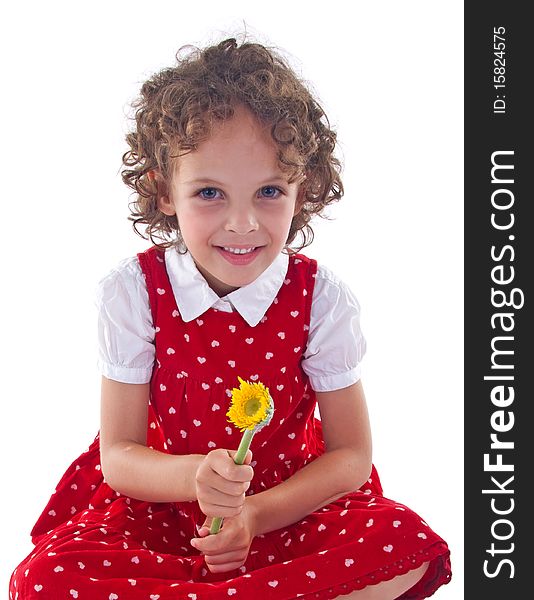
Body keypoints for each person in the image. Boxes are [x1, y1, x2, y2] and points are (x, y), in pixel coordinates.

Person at [9, 37, 451, 599]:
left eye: (269, 191)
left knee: (403, 541)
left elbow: (351, 458)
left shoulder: (320, 299)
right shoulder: (133, 293)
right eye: (210, 193)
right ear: (163, 190)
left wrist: (256, 515)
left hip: (287, 509)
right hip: (162, 513)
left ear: (303, 188)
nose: (242, 224)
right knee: (43, 580)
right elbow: (119, 457)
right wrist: (194, 478)